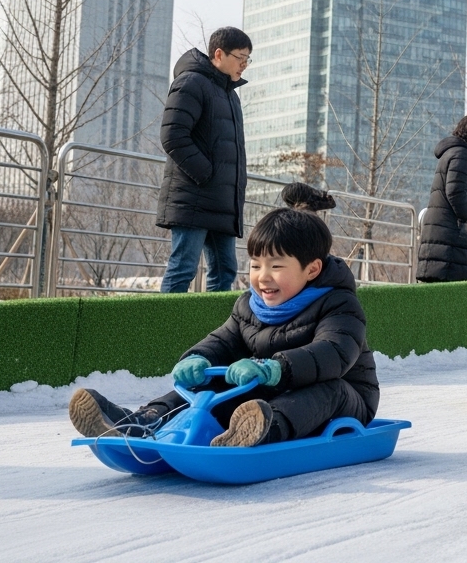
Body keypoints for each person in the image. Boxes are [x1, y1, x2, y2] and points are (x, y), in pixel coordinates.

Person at [68, 183, 381, 447]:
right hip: (267, 393)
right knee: (210, 386)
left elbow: (334, 353)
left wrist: (275, 368)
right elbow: (224, 340)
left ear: (311, 269)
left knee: (329, 389)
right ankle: (142, 421)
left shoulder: (339, 304)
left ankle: (260, 431)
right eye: (256, 265)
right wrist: (198, 358)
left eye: (276, 266)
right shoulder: (250, 305)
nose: (263, 276)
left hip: (344, 400)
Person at [156, 27, 252, 293]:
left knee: (225, 273)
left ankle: (217, 334)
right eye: (240, 57)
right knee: (183, 268)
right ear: (219, 54)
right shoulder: (191, 82)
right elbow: (172, 136)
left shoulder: (230, 95)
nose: (244, 65)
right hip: (194, 198)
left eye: (248, 59)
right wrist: (206, 175)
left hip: (221, 201)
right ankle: (166, 332)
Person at [416, 114, 467, 283]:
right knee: (450, 293)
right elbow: (455, 191)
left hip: (446, 236)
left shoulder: (460, 154)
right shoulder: (462, 155)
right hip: (450, 237)